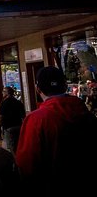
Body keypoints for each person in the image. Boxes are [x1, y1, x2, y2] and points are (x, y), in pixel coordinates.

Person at [16, 66, 97, 196]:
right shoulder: (86, 114)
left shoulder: (36, 120)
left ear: (38, 89)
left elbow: (26, 165)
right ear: (65, 86)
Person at [0, 87, 25, 154]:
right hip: (19, 126)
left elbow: (0, 117)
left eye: (3, 91)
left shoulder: (4, 103)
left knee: (10, 148)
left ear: (7, 93)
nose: (2, 92)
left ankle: (14, 162)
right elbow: (23, 116)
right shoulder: (18, 102)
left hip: (8, 127)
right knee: (18, 145)